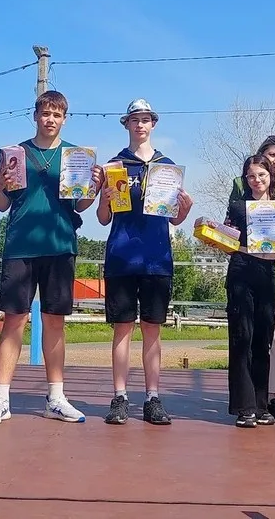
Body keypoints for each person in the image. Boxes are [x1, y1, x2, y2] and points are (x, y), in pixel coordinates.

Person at [0, 90, 104, 425]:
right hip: (20, 246)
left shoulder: (76, 156)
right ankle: (1, 398)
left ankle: (56, 397)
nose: (50, 120)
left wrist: (93, 188)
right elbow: (1, 204)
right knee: (14, 320)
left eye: (57, 115)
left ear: (65, 119)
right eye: (45, 113)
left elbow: (80, 205)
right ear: (35, 115)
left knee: (54, 321)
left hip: (60, 245)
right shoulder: (15, 154)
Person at [97, 99, 193, 426]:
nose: (140, 125)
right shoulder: (114, 166)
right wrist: (104, 200)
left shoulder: (167, 167)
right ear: (126, 124)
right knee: (122, 328)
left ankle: (153, 397)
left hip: (157, 259)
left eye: (145, 119)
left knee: (153, 329)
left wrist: (185, 208)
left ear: (153, 124)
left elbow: (175, 219)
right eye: (134, 119)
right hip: (122, 257)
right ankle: (120, 397)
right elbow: (103, 218)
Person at [228, 135, 275, 420]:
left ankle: (261, 405)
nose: (256, 180)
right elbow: (228, 243)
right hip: (242, 269)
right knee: (242, 337)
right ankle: (244, 407)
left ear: (271, 177)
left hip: (268, 272)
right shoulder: (237, 207)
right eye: (251, 176)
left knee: (263, 339)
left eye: (261, 175)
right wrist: (215, 233)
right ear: (245, 179)